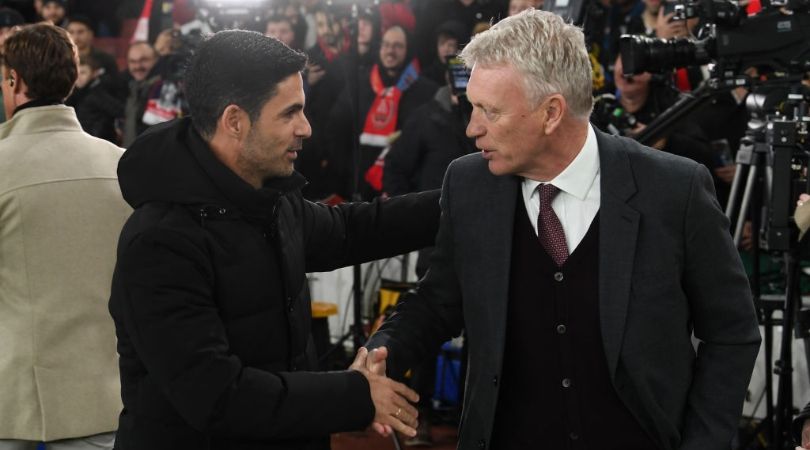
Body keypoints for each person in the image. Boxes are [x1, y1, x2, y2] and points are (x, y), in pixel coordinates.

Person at [362, 9, 761, 449]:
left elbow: (731, 331)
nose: (472, 128)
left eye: (488, 112)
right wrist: (382, 352)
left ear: (551, 112)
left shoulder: (674, 189)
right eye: (472, 107)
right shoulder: (469, 184)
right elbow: (438, 302)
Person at [108, 30, 440, 449]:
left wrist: (460, 202)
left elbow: (352, 230)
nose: (306, 127)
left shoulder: (270, 200)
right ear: (234, 121)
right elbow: (217, 396)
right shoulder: (159, 242)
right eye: (290, 113)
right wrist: (356, 395)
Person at [0, 23, 131, 450]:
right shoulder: (123, 165)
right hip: (105, 394)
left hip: (12, 395)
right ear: (72, 80)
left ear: (14, 80)